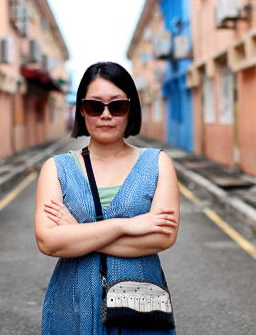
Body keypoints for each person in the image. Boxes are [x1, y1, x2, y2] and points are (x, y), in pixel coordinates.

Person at [35, 61, 180, 334]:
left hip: (140, 302)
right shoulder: (56, 169)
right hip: (74, 300)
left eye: (117, 106)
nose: (105, 115)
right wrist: (124, 225)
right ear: (81, 110)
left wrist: (77, 234)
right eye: (94, 106)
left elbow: (163, 236)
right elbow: (49, 241)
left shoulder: (158, 164)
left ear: (130, 109)